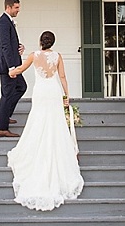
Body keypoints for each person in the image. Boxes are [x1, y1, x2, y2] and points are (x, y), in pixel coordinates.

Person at [5, 30, 85, 211]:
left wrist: (12, 72)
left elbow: (21, 69)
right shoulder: (58, 56)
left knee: (39, 121)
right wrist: (66, 95)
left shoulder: (34, 55)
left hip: (41, 92)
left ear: (41, 41)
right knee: (55, 124)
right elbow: (62, 77)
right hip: (53, 91)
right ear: (53, 42)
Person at [0, 0, 25, 137]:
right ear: (8, 7)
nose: (18, 10)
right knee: (7, 94)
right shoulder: (3, 22)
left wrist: (19, 47)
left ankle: (4, 116)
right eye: (16, 7)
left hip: (12, 64)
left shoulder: (7, 22)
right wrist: (11, 67)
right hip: (7, 66)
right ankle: (1, 128)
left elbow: (9, 43)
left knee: (21, 87)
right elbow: (4, 46)